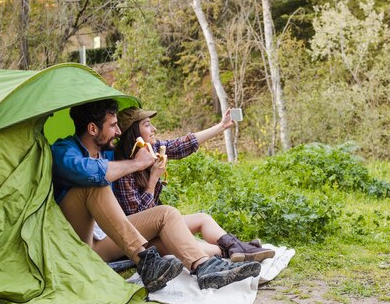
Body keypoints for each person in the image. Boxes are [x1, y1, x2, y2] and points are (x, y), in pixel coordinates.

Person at [50, 99, 261, 292]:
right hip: (80, 244)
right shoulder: (64, 151)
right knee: (96, 182)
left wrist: (220, 127)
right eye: (113, 125)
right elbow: (92, 173)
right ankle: (145, 261)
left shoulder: (109, 152)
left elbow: (173, 146)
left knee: (166, 214)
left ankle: (205, 266)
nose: (118, 131)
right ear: (93, 128)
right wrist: (137, 165)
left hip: (108, 240)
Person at [113, 106, 275, 262]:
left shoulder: (150, 149)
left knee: (203, 219)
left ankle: (237, 247)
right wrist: (153, 180)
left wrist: (221, 126)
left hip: (159, 225)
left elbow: (183, 144)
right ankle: (239, 249)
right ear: (134, 133)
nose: (154, 129)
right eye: (147, 125)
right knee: (194, 245)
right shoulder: (124, 167)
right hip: (139, 239)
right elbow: (138, 220)